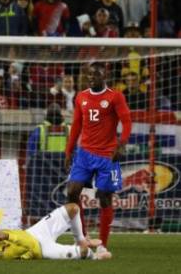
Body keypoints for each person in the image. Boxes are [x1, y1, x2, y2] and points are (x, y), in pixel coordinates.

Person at [64, 62, 132, 251]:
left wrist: (122, 144)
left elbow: (127, 121)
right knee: (72, 192)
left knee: (104, 197)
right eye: (89, 75)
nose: (91, 77)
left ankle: (102, 245)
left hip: (107, 156)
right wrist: (68, 151)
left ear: (105, 75)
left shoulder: (115, 96)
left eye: (95, 75)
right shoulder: (81, 97)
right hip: (84, 154)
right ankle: (83, 237)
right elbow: (76, 125)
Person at [0, 204, 111, 260]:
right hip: (42, 248)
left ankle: (81, 239)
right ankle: (96, 257)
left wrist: (2, 209)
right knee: (84, 253)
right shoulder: (0, 255)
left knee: (73, 208)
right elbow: (30, 246)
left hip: (35, 231)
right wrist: (9, 235)